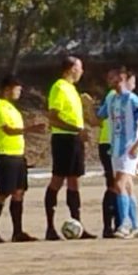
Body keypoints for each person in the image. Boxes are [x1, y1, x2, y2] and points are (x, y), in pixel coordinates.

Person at [0, 75, 46, 243]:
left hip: (17, 155)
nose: (19, 92)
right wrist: (31, 129)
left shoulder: (12, 108)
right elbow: (8, 130)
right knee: (3, 192)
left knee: (19, 191)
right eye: (17, 89)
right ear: (7, 89)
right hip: (4, 155)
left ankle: (17, 231)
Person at [44, 56, 94, 240]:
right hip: (64, 139)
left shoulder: (73, 89)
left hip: (75, 140)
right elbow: (53, 117)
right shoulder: (59, 87)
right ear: (71, 68)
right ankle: (50, 227)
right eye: (80, 68)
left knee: (74, 181)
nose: (82, 72)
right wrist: (76, 129)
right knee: (57, 180)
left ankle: (77, 223)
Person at [106, 69, 138, 239]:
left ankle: (124, 223)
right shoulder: (111, 99)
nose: (112, 81)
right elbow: (98, 118)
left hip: (129, 149)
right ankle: (137, 225)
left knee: (118, 184)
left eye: (115, 78)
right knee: (128, 186)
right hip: (115, 148)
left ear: (123, 79)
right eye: (110, 78)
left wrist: (137, 145)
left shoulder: (132, 99)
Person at [95, 68, 122, 238]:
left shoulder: (119, 96)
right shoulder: (114, 95)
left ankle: (118, 223)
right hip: (109, 143)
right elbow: (100, 116)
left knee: (119, 184)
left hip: (114, 143)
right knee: (114, 183)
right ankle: (109, 225)